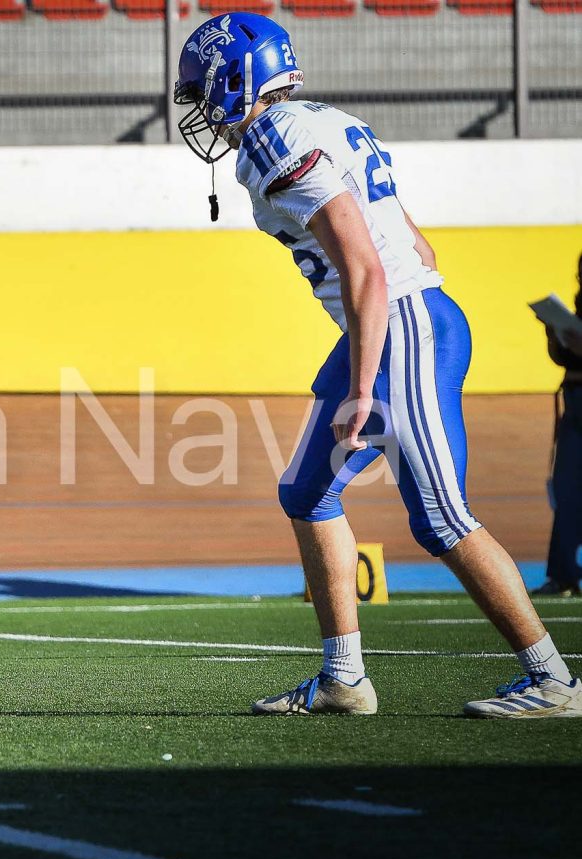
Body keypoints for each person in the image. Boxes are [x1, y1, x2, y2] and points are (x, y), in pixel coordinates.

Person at [172, 13, 580, 717]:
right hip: (394, 322)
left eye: (204, 92)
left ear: (236, 80)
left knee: (442, 519)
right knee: (305, 492)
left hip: (397, 326)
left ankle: (554, 680)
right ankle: (343, 678)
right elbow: (416, 244)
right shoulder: (321, 120)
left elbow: (367, 267)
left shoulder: (273, 137)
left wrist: (365, 385)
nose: (202, 111)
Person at [535, 255, 582, 596]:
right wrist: (552, 333)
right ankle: (563, 574)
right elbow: (564, 358)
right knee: (567, 491)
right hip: (575, 401)